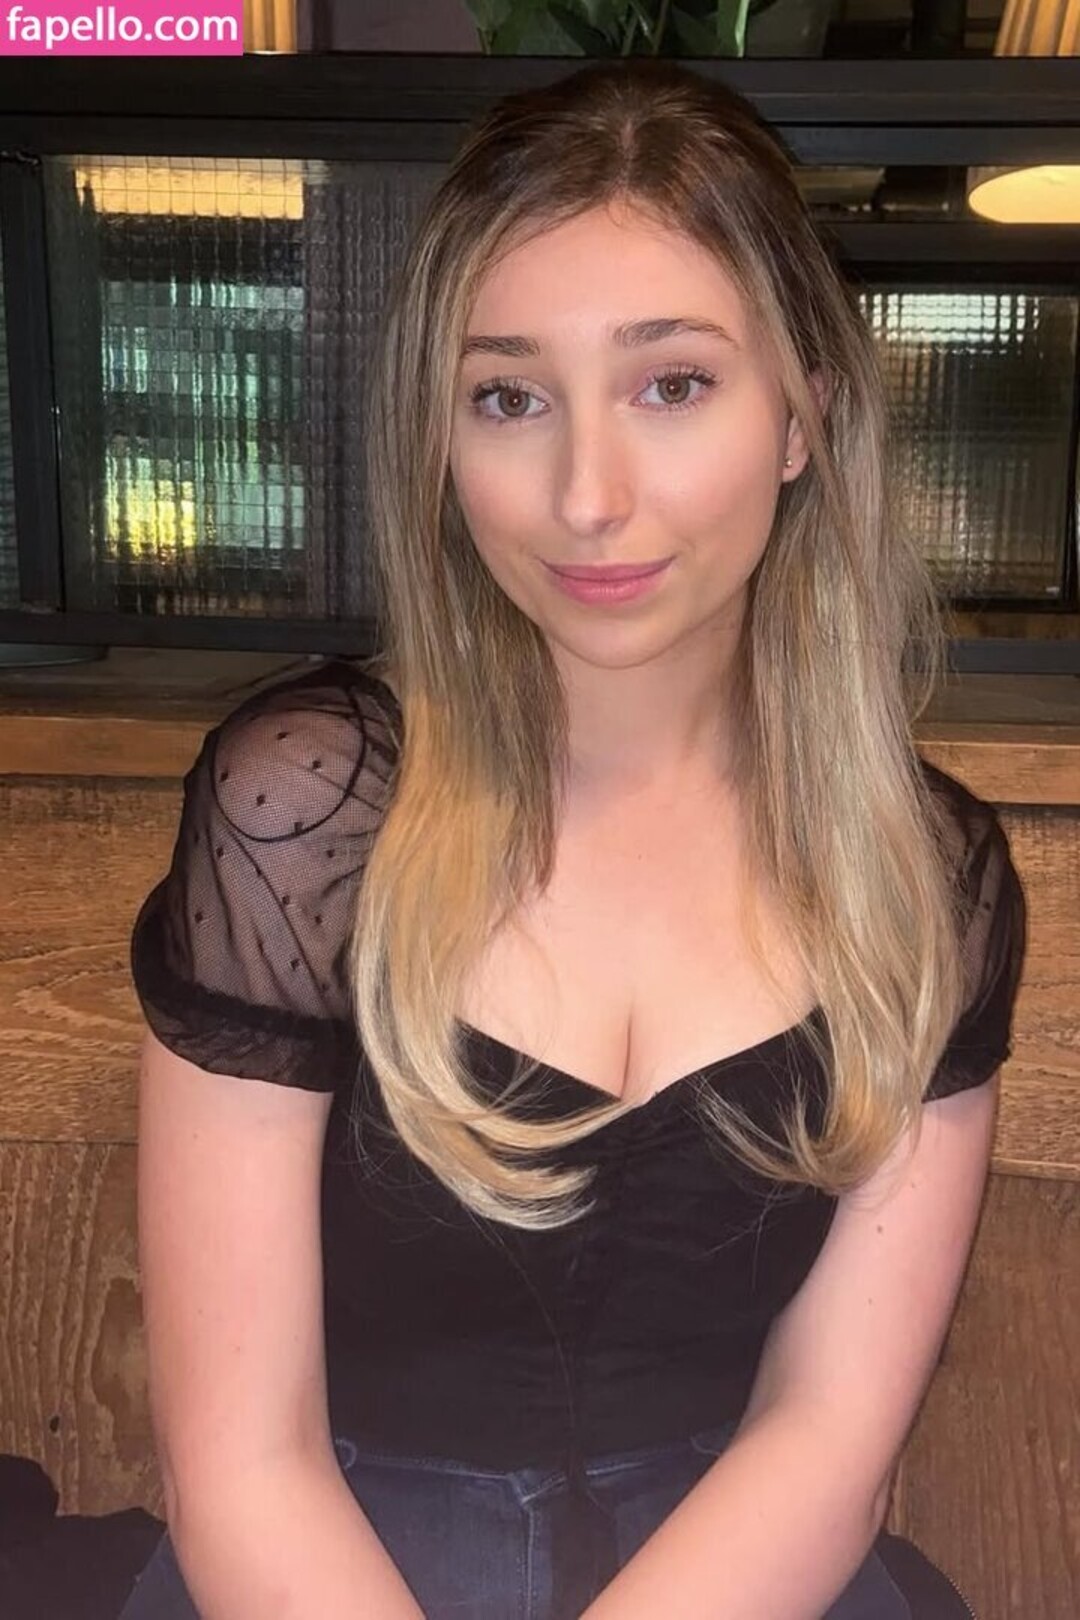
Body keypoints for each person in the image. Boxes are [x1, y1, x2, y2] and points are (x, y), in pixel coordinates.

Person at [118, 57, 1026, 1620]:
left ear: (802, 415)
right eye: (510, 397)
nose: (587, 495)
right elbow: (240, 1459)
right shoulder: (305, 810)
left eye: (673, 384)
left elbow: (827, 1437)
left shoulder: (927, 878)